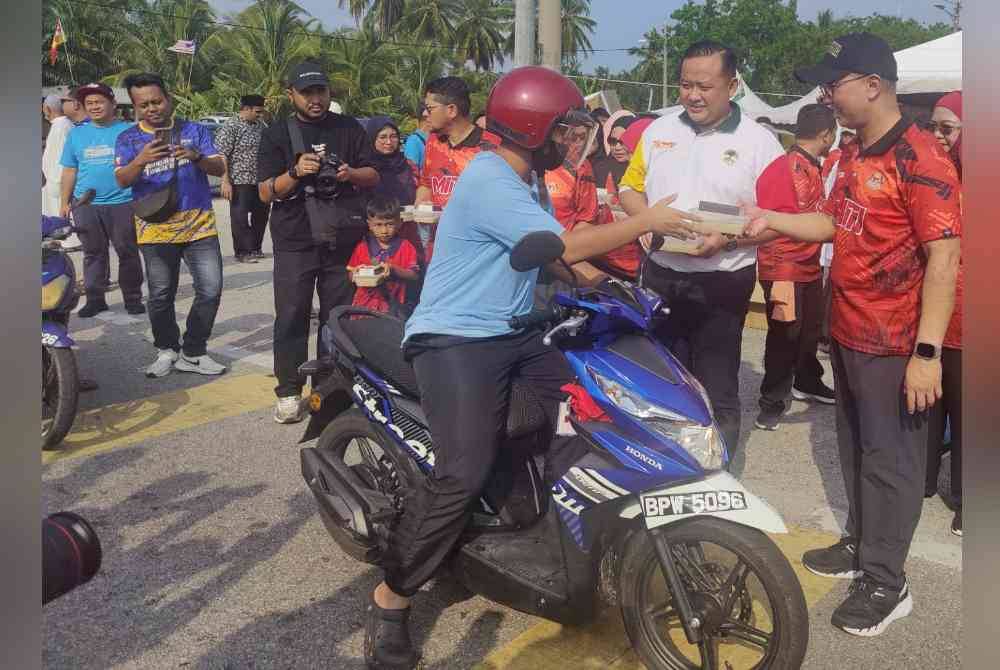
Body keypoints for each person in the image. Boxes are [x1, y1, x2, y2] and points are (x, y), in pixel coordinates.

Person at [363, 65, 702, 670]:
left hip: (517, 333)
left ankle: (533, 520)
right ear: (531, 127)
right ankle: (391, 599)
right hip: (456, 339)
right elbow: (565, 245)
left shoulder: (530, 183)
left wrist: (612, 285)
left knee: (591, 406)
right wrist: (647, 222)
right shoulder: (492, 179)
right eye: (564, 129)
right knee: (461, 471)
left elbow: (547, 256)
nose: (574, 139)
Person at [744, 33, 961, 636]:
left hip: (896, 343)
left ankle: (887, 582)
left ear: (873, 85)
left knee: (890, 462)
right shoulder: (856, 154)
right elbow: (834, 224)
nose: (825, 95)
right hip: (847, 331)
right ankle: (862, 545)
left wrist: (927, 354)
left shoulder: (920, 157)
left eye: (833, 83)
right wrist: (768, 223)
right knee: (856, 449)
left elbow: (944, 259)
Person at [618, 40, 795, 476]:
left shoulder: (761, 143)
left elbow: (783, 219)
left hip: (722, 280)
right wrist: (647, 221)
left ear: (732, 86)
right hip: (661, 274)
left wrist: (730, 242)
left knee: (716, 388)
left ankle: (716, 478)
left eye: (705, 86)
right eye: (685, 85)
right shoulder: (658, 132)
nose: (693, 95)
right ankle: (663, 471)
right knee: (661, 382)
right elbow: (628, 187)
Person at [257, 61, 379, 424]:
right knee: (292, 315)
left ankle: (329, 387)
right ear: (290, 94)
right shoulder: (277, 132)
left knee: (336, 317)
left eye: (321, 91)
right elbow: (265, 192)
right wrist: (296, 172)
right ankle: (289, 390)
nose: (315, 99)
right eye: (307, 92)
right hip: (295, 238)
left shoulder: (348, 127)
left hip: (341, 236)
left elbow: (372, 174)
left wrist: (349, 172)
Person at [114, 72, 229, 378]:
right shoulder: (127, 138)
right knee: (161, 294)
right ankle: (167, 349)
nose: (152, 108)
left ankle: (193, 351)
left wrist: (197, 157)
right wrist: (140, 160)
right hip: (155, 228)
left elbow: (219, 167)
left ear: (169, 98)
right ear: (135, 107)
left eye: (157, 101)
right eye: (143, 105)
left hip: (199, 225)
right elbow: (122, 179)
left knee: (211, 289)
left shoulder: (195, 129)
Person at [754, 103, 838, 431]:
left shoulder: (813, 165)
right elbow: (769, 221)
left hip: (809, 263)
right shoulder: (782, 168)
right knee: (785, 335)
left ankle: (808, 380)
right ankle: (772, 401)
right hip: (784, 266)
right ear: (827, 134)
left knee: (809, 332)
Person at [59, 82, 144, 317]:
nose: (94, 106)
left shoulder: (129, 131)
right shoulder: (77, 133)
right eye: (89, 103)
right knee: (92, 253)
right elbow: (69, 170)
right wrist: (64, 203)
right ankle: (96, 299)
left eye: (99, 101)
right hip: (86, 204)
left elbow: (141, 166)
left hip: (123, 202)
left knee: (127, 251)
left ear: (112, 103)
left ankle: (133, 298)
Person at [925, 90, 963, 536]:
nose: (937, 136)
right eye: (933, 126)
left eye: (947, 128)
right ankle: (922, 480)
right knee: (927, 407)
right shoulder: (930, 174)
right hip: (931, 313)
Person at [414, 76, 501, 262]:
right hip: (437, 249)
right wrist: (421, 205)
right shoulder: (433, 142)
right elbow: (426, 184)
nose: (424, 114)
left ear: (451, 110)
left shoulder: (492, 147)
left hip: (477, 252)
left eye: (430, 109)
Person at [216, 94, 269, 263]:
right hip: (239, 180)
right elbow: (222, 154)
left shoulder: (261, 125)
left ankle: (255, 248)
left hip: (259, 179)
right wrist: (225, 181)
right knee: (240, 217)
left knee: (261, 215)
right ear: (246, 109)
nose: (260, 115)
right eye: (257, 111)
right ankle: (243, 252)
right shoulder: (231, 126)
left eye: (261, 112)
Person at [347, 195, 419, 316]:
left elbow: (414, 275)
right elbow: (350, 273)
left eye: (389, 224)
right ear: (369, 225)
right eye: (378, 225)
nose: (384, 230)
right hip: (363, 307)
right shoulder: (363, 247)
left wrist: (393, 270)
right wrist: (355, 273)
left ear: (400, 223)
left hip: (393, 308)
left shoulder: (406, 247)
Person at [365, 116, 417, 206]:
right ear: (372, 139)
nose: (389, 142)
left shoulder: (408, 164)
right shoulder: (364, 168)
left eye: (393, 136)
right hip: (375, 219)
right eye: (382, 137)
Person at [42, 93, 74, 217]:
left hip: (59, 188)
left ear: (48, 109)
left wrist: (57, 187)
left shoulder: (60, 127)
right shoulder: (63, 125)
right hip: (58, 186)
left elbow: (60, 160)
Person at [592, 110, 635, 193]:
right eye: (613, 141)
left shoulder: (648, 169)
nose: (617, 147)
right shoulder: (599, 170)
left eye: (623, 141)